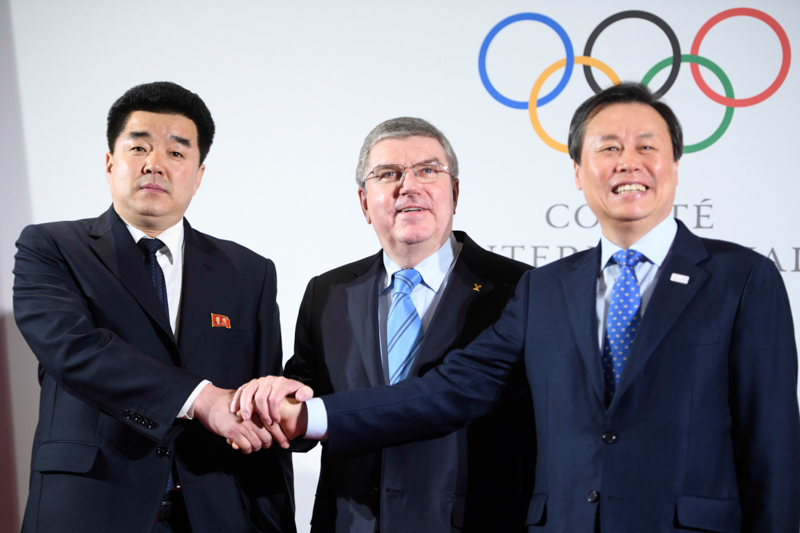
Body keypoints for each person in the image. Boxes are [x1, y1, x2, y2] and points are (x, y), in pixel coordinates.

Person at [244, 84, 800, 532]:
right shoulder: (548, 290)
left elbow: (772, 448)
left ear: (676, 164)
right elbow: (451, 388)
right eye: (607, 148)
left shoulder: (742, 279)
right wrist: (311, 414)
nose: (628, 162)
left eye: (646, 146)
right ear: (579, 173)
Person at [13, 82, 294, 533]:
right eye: (138, 147)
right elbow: (74, 350)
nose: (154, 164)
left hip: (215, 514)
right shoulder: (51, 247)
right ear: (109, 164)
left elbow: (259, 414)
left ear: (200, 175)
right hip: (89, 509)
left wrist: (273, 523)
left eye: (177, 153)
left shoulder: (249, 272)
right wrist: (201, 398)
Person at [235, 117, 533, 532]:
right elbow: (306, 399)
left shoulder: (519, 289)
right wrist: (276, 397)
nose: (408, 186)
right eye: (388, 174)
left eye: (428, 171)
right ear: (363, 202)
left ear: (455, 192)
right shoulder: (328, 291)